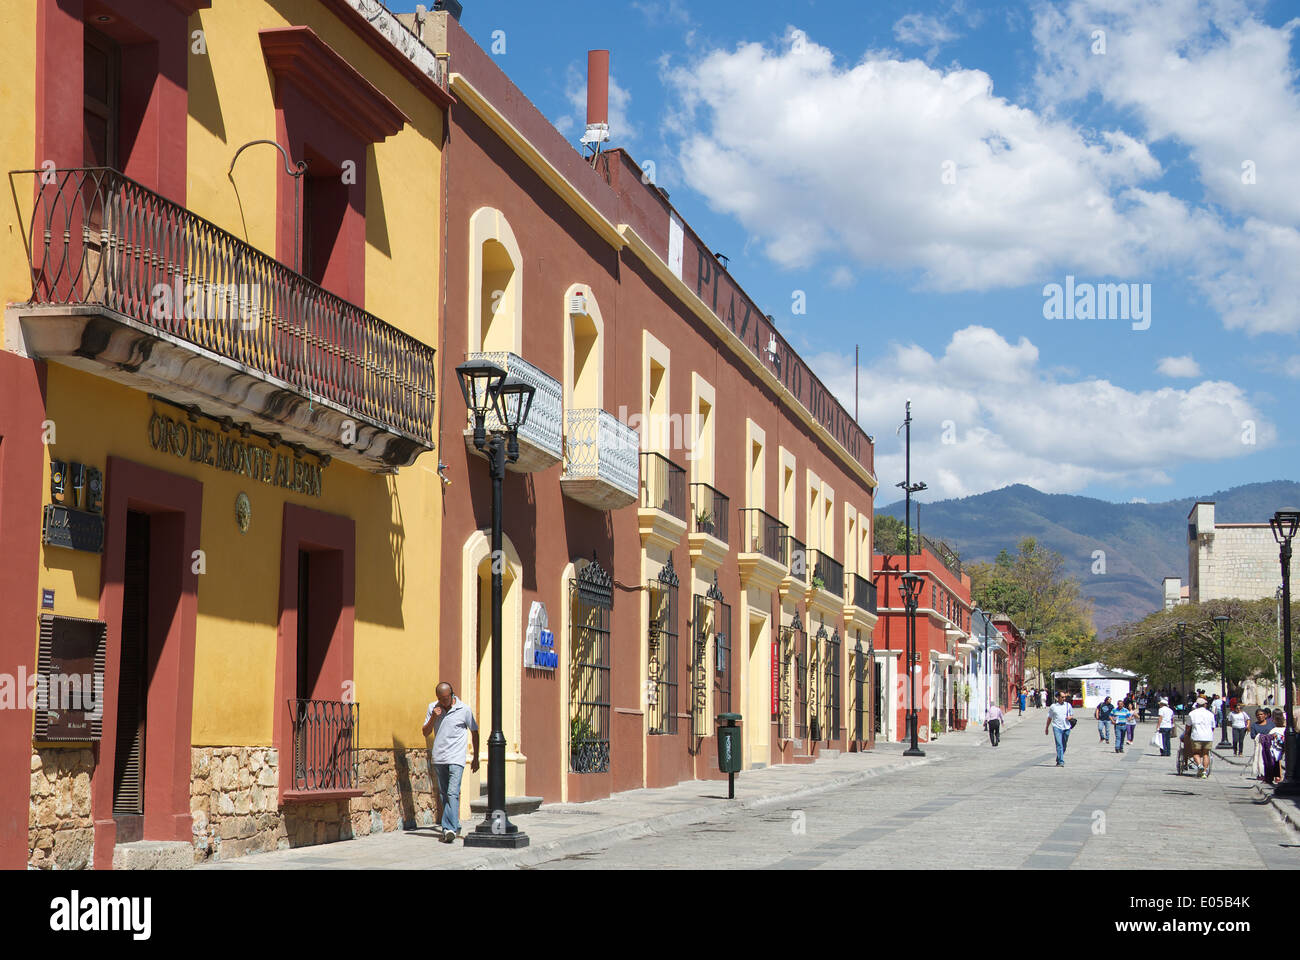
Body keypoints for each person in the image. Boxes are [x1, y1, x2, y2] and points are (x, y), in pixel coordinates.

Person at [422, 681, 480, 843]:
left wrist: (475, 757)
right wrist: (434, 716)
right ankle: (454, 823)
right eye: (440, 698)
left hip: (456, 758)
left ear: (452, 695)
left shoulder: (464, 709)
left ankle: (449, 828)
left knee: (452, 792)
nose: (443, 701)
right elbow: (425, 732)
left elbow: (475, 732)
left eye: (446, 698)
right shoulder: (433, 707)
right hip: (439, 757)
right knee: (444, 793)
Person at [1182, 697, 1216, 779]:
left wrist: (1186, 734)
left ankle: (1199, 765)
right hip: (1208, 737)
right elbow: (1213, 727)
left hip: (1196, 736)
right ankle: (1204, 772)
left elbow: (1188, 726)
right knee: (1205, 754)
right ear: (1205, 705)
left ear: (1197, 705)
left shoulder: (1192, 714)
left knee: (1196, 753)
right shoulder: (1210, 714)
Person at [1046, 690, 1074, 766]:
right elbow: (1049, 718)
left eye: (1065, 697)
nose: (1064, 698)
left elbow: (1072, 715)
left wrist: (1070, 717)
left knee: (1064, 744)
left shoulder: (1068, 705)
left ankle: (1059, 757)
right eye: (1062, 697)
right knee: (1059, 744)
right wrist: (1047, 728)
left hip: (1066, 727)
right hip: (1057, 727)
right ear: (1058, 697)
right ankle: (1061, 761)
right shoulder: (1053, 707)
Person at [1247, 709, 1275, 781]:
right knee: (1260, 760)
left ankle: (1272, 774)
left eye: (1261, 714)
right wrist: (1261, 737)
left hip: (1270, 746)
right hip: (1260, 746)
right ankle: (1261, 774)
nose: (1260, 716)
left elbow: (1274, 733)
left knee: (1271, 760)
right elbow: (1253, 736)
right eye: (1258, 715)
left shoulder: (1271, 724)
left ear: (1265, 715)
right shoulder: (1254, 725)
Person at [1262, 708, 1288, 784]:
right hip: (1284, 735)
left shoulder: (1274, 729)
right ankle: (1280, 776)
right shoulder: (1285, 717)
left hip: (1277, 738)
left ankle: (1278, 776)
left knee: (1277, 758)